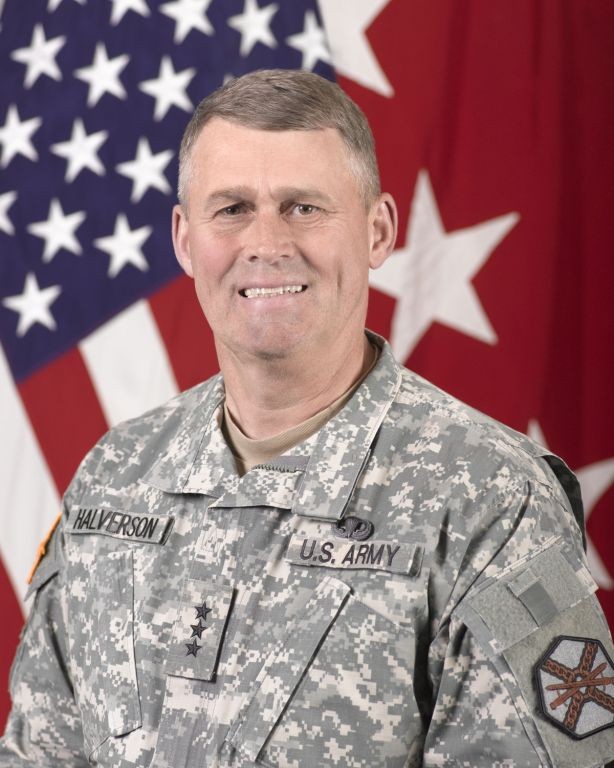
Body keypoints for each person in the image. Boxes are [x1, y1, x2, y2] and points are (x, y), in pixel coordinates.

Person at [1, 69, 613, 768]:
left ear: (378, 231)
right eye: (232, 208)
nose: (267, 243)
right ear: (184, 239)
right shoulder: (116, 475)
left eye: (303, 207)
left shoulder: (492, 500)